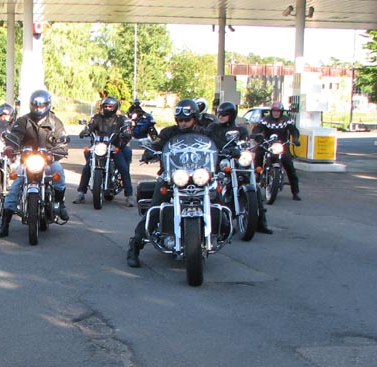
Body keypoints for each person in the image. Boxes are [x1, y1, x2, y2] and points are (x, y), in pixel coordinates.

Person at [126, 98, 208, 267]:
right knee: (155, 208)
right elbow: (157, 144)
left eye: (187, 119)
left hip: (198, 177)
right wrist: (150, 152)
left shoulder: (205, 133)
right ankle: (135, 245)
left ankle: (223, 226)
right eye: (180, 120)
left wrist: (230, 149)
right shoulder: (168, 133)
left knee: (216, 197)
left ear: (195, 118)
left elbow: (217, 145)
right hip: (172, 177)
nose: (183, 123)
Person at [0, 89, 70, 238]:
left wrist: (57, 151)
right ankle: (4, 225)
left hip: (48, 160)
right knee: (15, 188)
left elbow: (62, 140)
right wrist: (10, 147)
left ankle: (60, 203)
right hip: (27, 160)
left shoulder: (55, 122)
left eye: (42, 106)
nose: (39, 109)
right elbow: (15, 136)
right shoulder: (23, 121)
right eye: (36, 106)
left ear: (47, 105)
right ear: (31, 105)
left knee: (59, 173)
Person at [206, 101, 272, 234]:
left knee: (254, 188)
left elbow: (245, 141)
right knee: (214, 188)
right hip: (219, 161)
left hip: (236, 161)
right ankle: (220, 224)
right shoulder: (213, 128)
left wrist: (255, 137)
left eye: (224, 114)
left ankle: (261, 223)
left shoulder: (240, 129)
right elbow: (207, 138)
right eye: (219, 114)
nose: (221, 116)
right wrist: (220, 147)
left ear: (231, 115)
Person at [73, 96, 135, 207]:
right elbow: (90, 126)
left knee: (123, 168)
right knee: (87, 167)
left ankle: (129, 195)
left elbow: (127, 127)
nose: (107, 108)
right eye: (105, 106)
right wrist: (86, 130)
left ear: (115, 107)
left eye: (110, 106)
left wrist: (126, 131)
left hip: (114, 147)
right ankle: (81, 193)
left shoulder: (121, 119)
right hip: (99, 147)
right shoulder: (97, 118)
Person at [251, 101, 302, 201]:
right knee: (259, 154)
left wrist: (295, 139)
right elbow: (258, 128)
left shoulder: (287, 120)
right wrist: (256, 134)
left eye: (278, 111)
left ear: (281, 112)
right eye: (274, 110)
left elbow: (294, 130)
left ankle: (295, 192)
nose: (276, 112)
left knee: (289, 166)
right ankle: (257, 174)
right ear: (271, 111)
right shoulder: (265, 120)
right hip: (267, 144)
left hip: (282, 145)